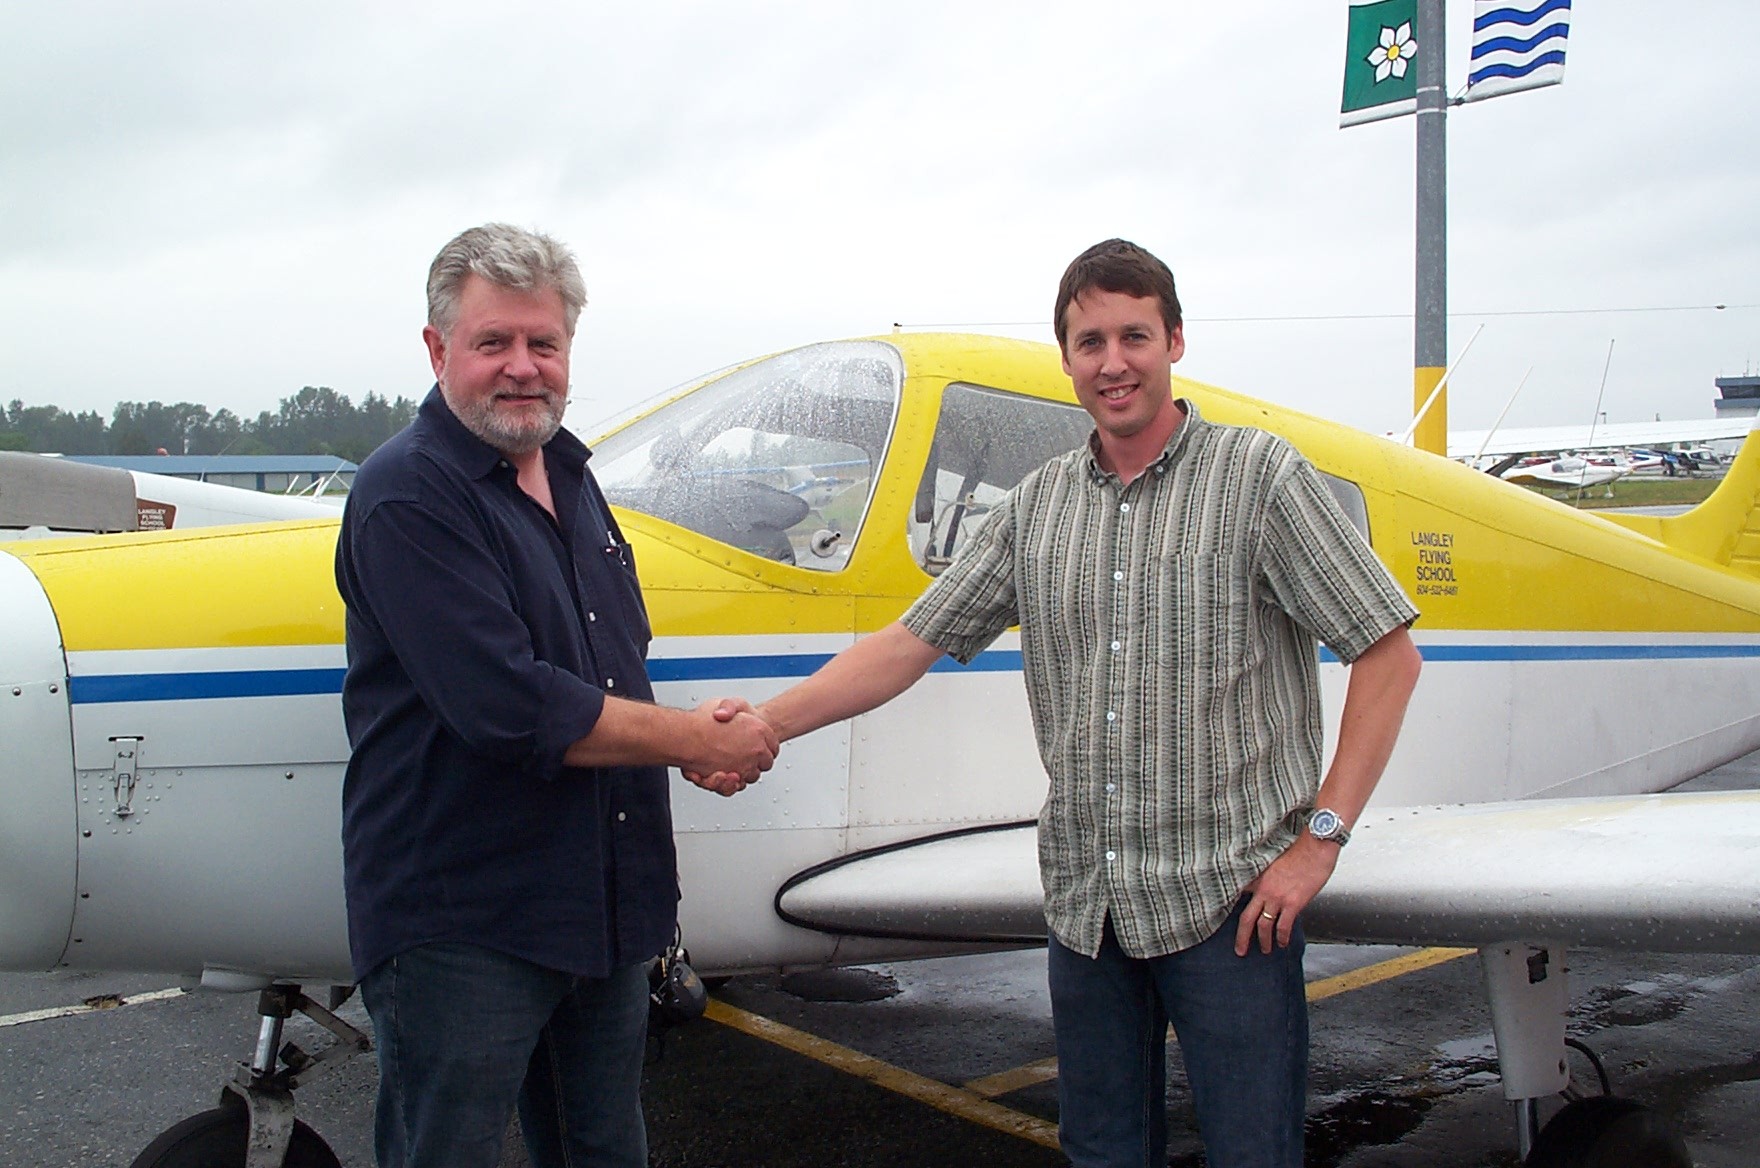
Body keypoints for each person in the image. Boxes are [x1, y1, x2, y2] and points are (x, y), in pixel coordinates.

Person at [703, 239, 1422, 1166]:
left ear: (1174, 342)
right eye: (1090, 342)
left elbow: (1387, 655)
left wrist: (1319, 841)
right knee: (1103, 1153)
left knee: (1256, 1153)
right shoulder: (1037, 507)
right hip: (1091, 910)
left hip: (1229, 905)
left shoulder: (1258, 477)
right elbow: (904, 645)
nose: (1113, 362)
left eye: (1134, 336)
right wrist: (765, 725)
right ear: (1069, 357)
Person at [335, 223, 778, 1168]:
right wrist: (691, 739)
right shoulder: (408, 494)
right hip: (467, 920)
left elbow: (614, 667)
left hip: (606, 910)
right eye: (494, 342)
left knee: (602, 1149)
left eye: (544, 343)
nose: (522, 367)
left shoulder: (574, 477)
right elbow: (509, 705)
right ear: (437, 348)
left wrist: (681, 748)